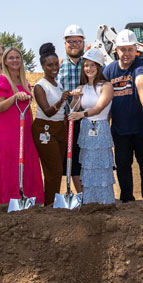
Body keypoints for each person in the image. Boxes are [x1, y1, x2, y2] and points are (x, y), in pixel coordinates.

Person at [102, 29, 143, 203]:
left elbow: (140, 80)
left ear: (136, 50)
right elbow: (105, 99)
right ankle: (127, 200)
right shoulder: (109, 71)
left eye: (130, 49)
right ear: (116, 50)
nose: (126, 53)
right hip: (119, 129)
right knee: (123, 166)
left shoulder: (140, 64)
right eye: (123, 49)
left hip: (140, 127)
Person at [0, 46, 45, 205]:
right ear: (5, 61)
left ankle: (27, 198)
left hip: (24, 130)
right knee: (10, 165)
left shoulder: (24, 82)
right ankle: (8, 200)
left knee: (26, 164)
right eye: (11, 58)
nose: (15, 60)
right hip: (7, 132)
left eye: (17, 57)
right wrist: (14, 97)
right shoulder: (1, 80)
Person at [68, 48, 115, 204]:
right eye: (86, 65)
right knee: (88, 165)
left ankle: (104, 201)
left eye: (92, 65)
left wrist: (81, 115)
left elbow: (99, 108)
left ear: (99, 67)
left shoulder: (106, 86)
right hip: (86, 129)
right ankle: (89, 201)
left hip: (100, 128)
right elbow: (73, 109)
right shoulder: (82, 88)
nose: (89, 69)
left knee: (100, 165)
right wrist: (75, 99)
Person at [32, 42, 70, 198]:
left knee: (58, 169)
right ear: (43, 66)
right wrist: (61, 100)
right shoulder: (40, 86)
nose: (54, 68)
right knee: (53, 169)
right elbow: (47, 111)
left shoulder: (58, 84)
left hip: (60, 128)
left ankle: (54, 198)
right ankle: (49, 203)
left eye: (56, 64)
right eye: (49, 65)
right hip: (45, 129)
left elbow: (62, 111)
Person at [58, 24, 86, 193]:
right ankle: (80, 194)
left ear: (83, 42)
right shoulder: (58, 67)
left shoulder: (91, 64)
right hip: (68, 121)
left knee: (88, 158)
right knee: (73, 159)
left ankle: (91, 192)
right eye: (71, 41)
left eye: (78, 41)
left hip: (88, 119)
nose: (74, 44)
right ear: (65, 43)